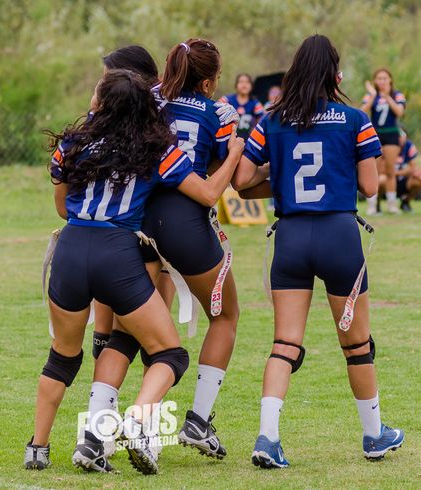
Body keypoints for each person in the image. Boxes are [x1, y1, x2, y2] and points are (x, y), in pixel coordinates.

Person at [25, 69, 244, 475]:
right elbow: (210, 194)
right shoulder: (154, 148)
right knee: (170, 354)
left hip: (71, 249)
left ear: (101, 102)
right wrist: (232, 153)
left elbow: (62, 204)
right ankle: (137, 420)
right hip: (118, 253)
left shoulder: (72, 143)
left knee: (62, 357)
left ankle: (37, 448)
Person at [234, 34, 405, 468]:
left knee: (284, 343)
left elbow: (242, 180)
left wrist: (284, 171)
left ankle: (267, 437)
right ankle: (373, 435)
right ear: (335, 73)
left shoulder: (271, 119)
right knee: (357, 345)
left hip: (289, 238)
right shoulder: (354, 118)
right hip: (338, 236)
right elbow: (370, 186)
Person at [91, 45, 161, 361]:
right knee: (151, 341)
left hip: (140, 229)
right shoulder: (118, 122)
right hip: (130, 230)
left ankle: (120, 405)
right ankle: (125, 405)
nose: (104, 88)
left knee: (141, 335)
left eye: (109, 80)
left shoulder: (142, 124)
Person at [361, 68, 406, 214]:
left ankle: (392, 204)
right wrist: (374, 95)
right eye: (379, 78)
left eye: (385, 78)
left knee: (390, 170)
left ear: (390, 80)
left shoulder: (396, 94)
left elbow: (399, 112)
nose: (382, 81)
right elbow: (362, 111)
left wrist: (387, 97)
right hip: (376, 134)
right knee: (375, 171)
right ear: (375, 81)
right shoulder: (371, 95)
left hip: (391, 135)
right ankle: (373, 205)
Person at [220, 73, 265, 139]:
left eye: (247, 82)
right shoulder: (227, 100)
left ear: (251, 86)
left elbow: (262, 120)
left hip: (247, 140)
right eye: (241, 82)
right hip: (227, 138)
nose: (244, 85)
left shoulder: (255, 103)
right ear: (236, 85)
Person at [395, 130, 421, 212]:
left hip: (403, 179)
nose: (399, 138)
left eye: (401, 135)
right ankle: (376, 206)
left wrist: (396, 173)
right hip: (388, 180)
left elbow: (412, 167)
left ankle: (405, 202)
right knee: (382, 179)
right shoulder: (387, 145)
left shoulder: (409, 145)